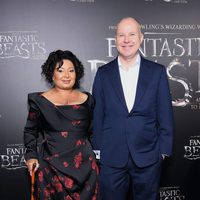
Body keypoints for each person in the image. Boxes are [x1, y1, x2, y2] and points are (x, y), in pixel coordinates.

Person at [92, 17, 174, 200]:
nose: (126, 40)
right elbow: (97, 114)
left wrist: (163, 151)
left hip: (148, 156)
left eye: (131, 34)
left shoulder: (157, 72)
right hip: (111, 156)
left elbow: (165, 114)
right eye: (121, 35)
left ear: (141, 38)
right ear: (115, 40)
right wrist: (98, 149)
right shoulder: (103, 73)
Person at [24, 50, 100, 200]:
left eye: (71, 71)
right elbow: (30, 131)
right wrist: (31, 156)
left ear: (77, 73)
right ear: (51, 74)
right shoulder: (39, 101)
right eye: (60, 70)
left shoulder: (88, 100)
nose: (67, 75)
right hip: (50, 168)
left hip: (85, 168)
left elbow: (93, 131)